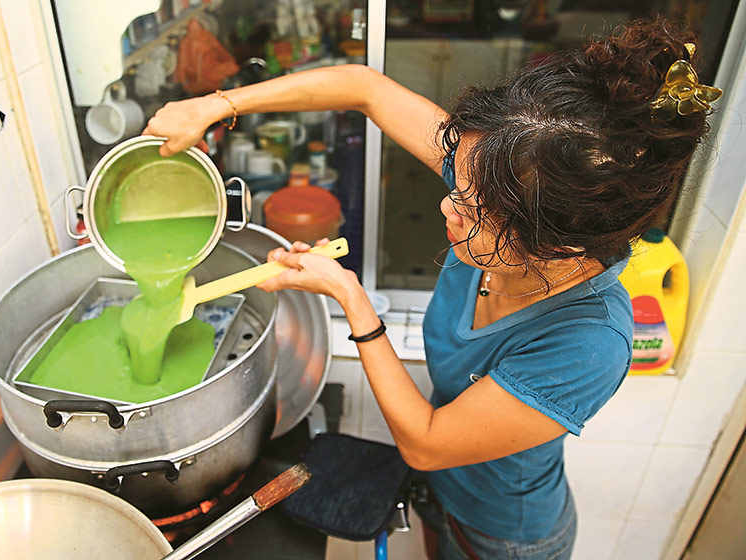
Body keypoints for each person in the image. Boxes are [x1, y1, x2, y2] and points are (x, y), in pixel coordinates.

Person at [143, 18, 720, 560]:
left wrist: (352, 299)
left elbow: (427, 442)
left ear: (557, 246)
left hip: (503, 537)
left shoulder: (591, 342)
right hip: (439, 494)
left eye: (472, 210)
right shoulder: (499, 182)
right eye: (459, 181)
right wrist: (214, 105)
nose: (448, 203)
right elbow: (363, 87)